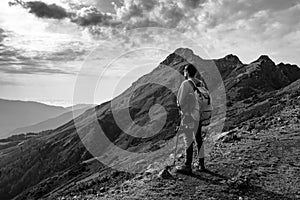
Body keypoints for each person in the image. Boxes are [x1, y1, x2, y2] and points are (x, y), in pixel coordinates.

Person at [176, 63, 206, 173]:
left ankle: (187, 166)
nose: (184, 72)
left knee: (188, 139)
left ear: (187, 72)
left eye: (184, 70)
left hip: (188, 116)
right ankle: (201, 164)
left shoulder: (186, 83)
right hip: (198, 115)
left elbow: (180, 101)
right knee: (199, 140)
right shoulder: (200, 83)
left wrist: (181, 110)